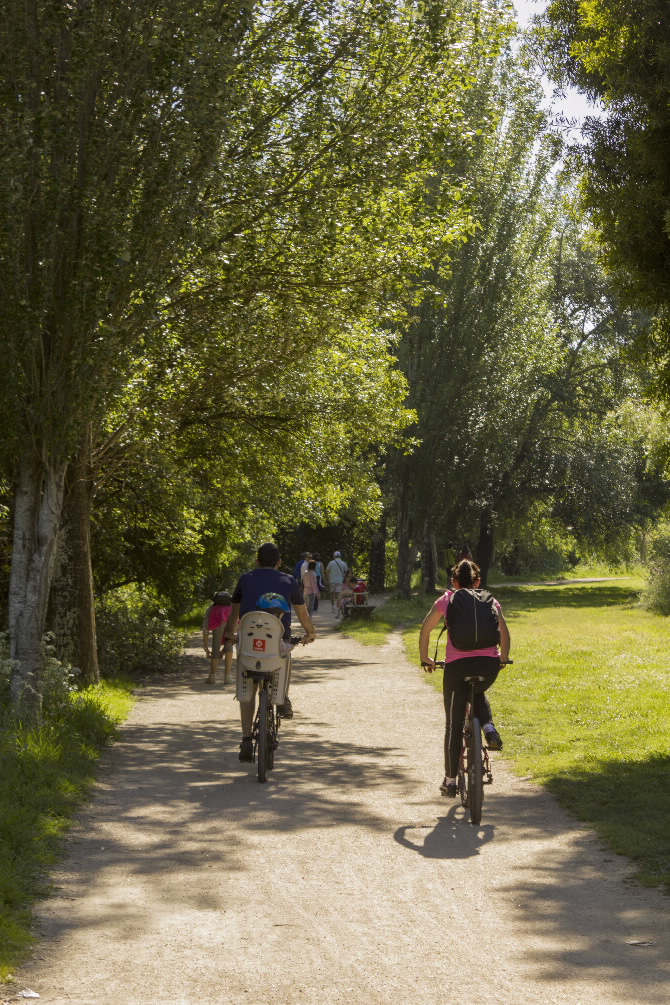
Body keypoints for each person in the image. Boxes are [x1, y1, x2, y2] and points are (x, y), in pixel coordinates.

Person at [419, 558, 511, 798]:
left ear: (454, 581)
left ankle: (450, 781)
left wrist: (425, 657)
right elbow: (504, 631)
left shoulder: (447, 600)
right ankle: (489, 727)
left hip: (457, 668)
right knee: (478, 691)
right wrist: (503, 657)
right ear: (478, 581)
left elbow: (426, 628)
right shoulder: (490, 599)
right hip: (488, 666)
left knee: (454, 726)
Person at [225, 542, 316, 761]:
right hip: (276, 647)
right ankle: (282, 696)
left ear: (257, 561)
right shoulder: (289, 581)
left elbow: (234, 614)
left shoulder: (245, 579)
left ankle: (246, 739)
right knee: (286, 657)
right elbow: (303, 615)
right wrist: (310, 633)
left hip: (248, 648)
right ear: (279, 562)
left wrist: (230, 634)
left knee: (248, 688)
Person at [202, 590, 234, 685]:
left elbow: (205, 630)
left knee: (215, 645)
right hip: (230, 620)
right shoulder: (231, 608)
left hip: (216, 624)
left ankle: (212, 676)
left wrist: (206, 648)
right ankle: (227, 677)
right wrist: (223, 650)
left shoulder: (211, 609)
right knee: (229, 645)